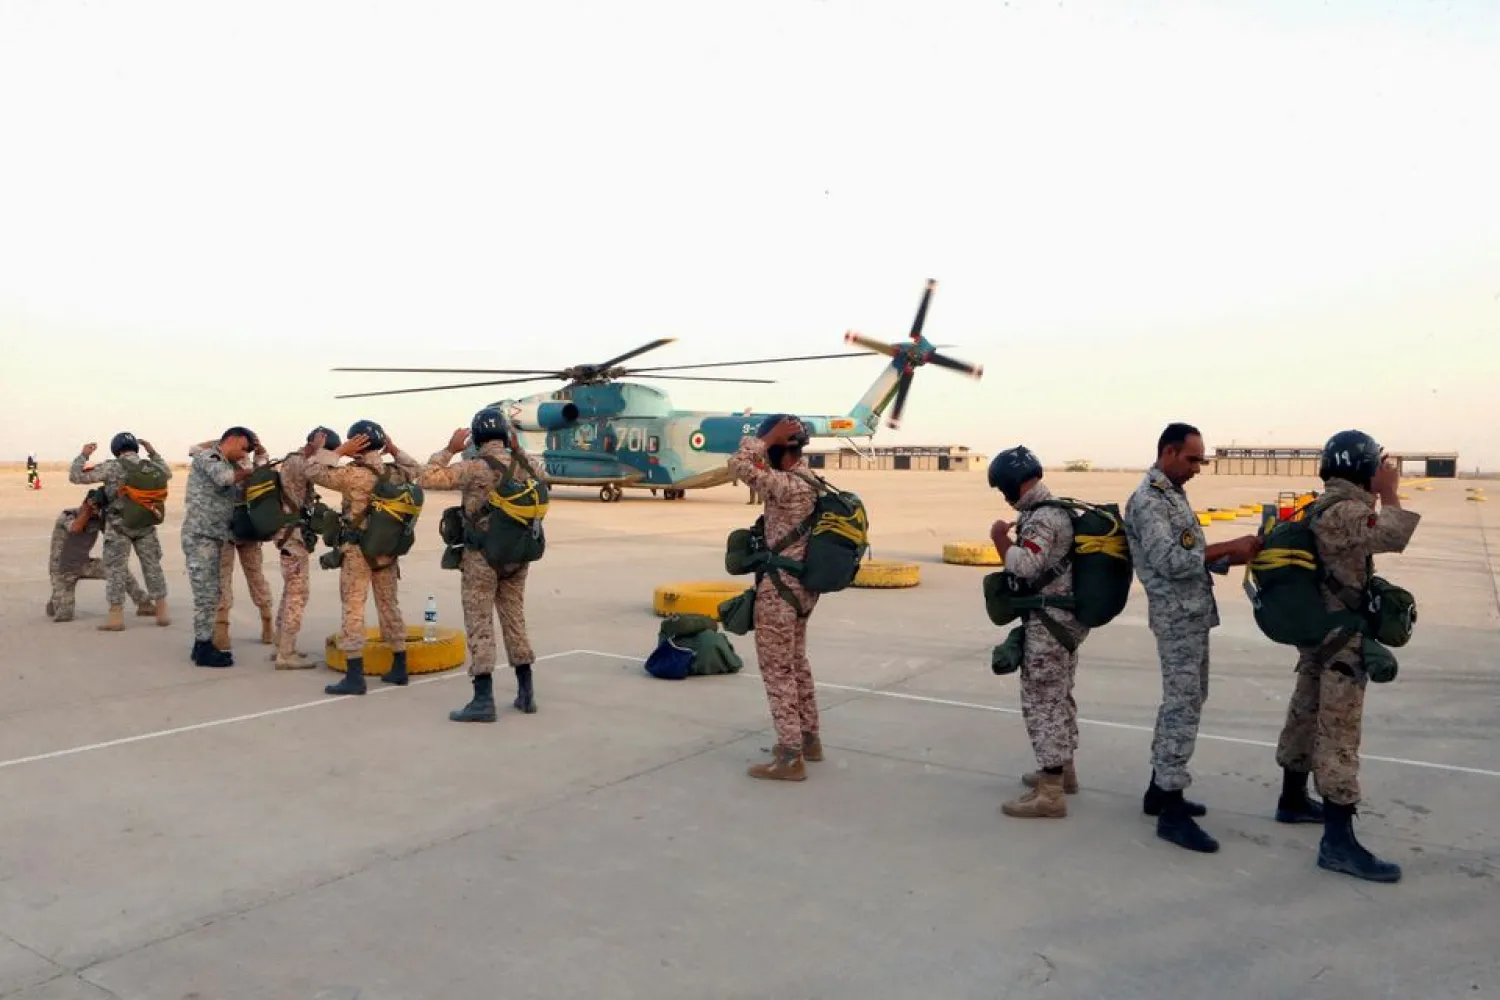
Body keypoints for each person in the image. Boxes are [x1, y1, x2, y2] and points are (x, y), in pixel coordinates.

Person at [1273, 431, 1419, 883]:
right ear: (1361, 467)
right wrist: (1391, 490)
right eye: (1376, 464)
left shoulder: (1321, 505)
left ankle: (1292, 799)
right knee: (1338, 734)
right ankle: (1338, 842)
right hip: (1341, 642)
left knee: (1305, 715)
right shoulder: (1345, 511)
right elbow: (1394, 534)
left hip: (1319, 635)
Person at [1123, 422, 1260, 853]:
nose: (1199, 467)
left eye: (1202, 459)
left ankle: (1158, 791)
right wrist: (1224, 548)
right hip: (1176, 617)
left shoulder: (1172, 495)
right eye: (1192, 458)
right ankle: (1171, 809)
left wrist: (1231, 556)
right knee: (1182, 705)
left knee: (1188, 699)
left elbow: (1189, 555)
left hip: (1192, 612)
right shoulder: (1148, 500)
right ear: (1168, 452)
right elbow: (1168, 560)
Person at [419, 408, 542, 722]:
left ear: (475, 436)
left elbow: (427, 477)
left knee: (480, 624)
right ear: (505, 435)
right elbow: (544, 475)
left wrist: (449, 449)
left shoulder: (473, 467)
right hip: (517, 556)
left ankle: (483, 700)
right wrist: (517, 449)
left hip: (481, 558)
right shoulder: (526, 465)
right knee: (515, 618)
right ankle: (526, 693)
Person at [987, 446, 1088, 819]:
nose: (1004, 495)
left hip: (1049, 625)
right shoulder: (1060, 510)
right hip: (1065, 622)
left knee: (1042, 702)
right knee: (1060, 696)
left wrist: (999, 538)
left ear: (1014, 483)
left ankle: (1050, 792)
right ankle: (1065, 772)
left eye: (1003, 488)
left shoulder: (1042, 518)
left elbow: (1026, 566)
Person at [727, 414, 822, 781]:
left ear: (780, 449)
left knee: (777, 670)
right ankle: (810, 738)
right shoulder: (810, 479)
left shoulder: (784, 485)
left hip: (779, 592)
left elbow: (737, 463)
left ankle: (790, 756)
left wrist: (763, 438)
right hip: (802, 590)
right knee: (796, 662)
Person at [307, 420, 421, 697]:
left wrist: (338, 451)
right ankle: (399, 667)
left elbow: (312, 470)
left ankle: (355, 676)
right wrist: (393, 449)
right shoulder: (395, 472)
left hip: (358, 551)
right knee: (389, 605)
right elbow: (417, 469)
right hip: (386, 551)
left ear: (357, 444)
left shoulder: (353, 474)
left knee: (353, 608)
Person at [68, 432, 172, 632]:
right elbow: (167, 473)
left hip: (118, 526)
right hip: (146, 524)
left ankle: (115, 617)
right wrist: (153, 453)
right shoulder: (151, 466)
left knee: (116, 569)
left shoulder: (112, 467)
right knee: (152, 567)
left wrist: (83, 455)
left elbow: (76, 476)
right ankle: (162, 611)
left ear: (116, 449)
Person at [189, 436, 274, 651]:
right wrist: (258, 449)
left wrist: (222, 440)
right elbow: (263, 464)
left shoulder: (220, 463)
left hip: (227, 527)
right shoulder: (250, 464)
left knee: (222, 578)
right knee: (256, 576)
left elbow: (195, 448)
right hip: (247, 527)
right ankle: (267, 625)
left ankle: (222, 631)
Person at [182, 427, 258, 668]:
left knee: (212, 593)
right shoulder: (210, 457)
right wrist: (248, 470)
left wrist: (255, 458)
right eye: (244, 448)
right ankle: (204, 648)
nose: (245, 454)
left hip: (213, 537)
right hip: (201, 536)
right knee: (205, 596)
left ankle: (201, 644)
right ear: (233, 440)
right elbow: (224, 479)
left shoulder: (226, 462)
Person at [269, 426, 339, 670]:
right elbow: (322, 473)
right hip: (293, 537)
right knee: (298, 595)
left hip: (290, 535)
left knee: (290, 591)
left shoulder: (293, 460)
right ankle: (286, 654)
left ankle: (281, 644)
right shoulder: (301, 463)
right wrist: (328, 452)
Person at [47, 489, 151, 622]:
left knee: (118, 569)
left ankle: (143, 603)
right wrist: (88, 509)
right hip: (62, 569)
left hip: (83, 564)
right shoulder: (68, 515)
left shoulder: (98, 519)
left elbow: (120, 531)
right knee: (64, 615)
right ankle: (56, 598)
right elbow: (76, 528)